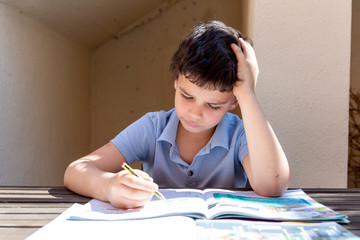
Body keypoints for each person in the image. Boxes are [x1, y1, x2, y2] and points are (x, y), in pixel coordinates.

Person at [64, 20, 290, 209]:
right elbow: (76, 171)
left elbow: (272, 185)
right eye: (187, 96)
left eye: (213, 106)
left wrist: (248, 94)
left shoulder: (242, 134)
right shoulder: (153, 127)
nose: (195, 112)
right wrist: (109, 185)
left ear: (233, 102)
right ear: (176, 81)